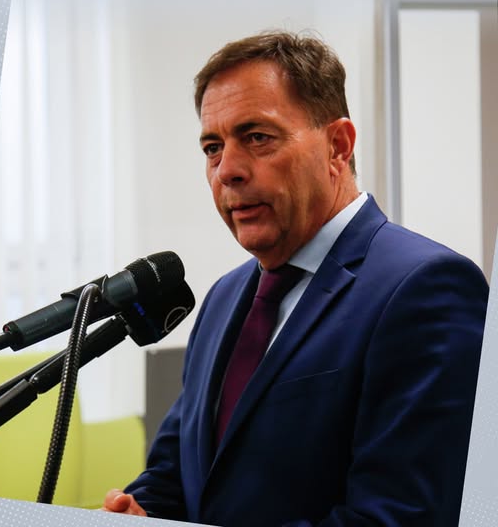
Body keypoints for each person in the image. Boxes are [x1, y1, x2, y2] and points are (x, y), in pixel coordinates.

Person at [102, 31, 488, 526]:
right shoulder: (223, 297)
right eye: (213, 148)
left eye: (257, 137)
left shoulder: (427, 288)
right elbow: (177, 473)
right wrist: (139, 510)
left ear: (338, 146)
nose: (227, 171)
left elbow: (400, 516)